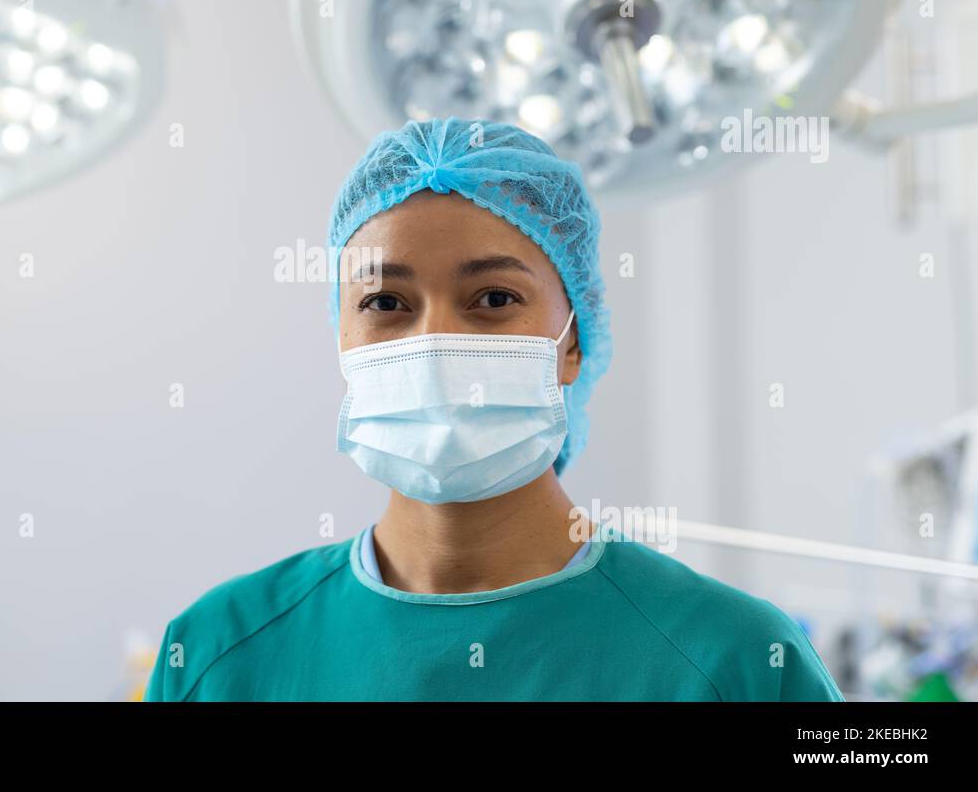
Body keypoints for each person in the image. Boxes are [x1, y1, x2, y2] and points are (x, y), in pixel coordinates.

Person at [145, 116, 843, 701]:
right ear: (342, 337)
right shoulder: (216, 655)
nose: (436, 338)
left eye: (494, 299)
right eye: (386, 302)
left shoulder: (740, 662)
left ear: (574, 343)